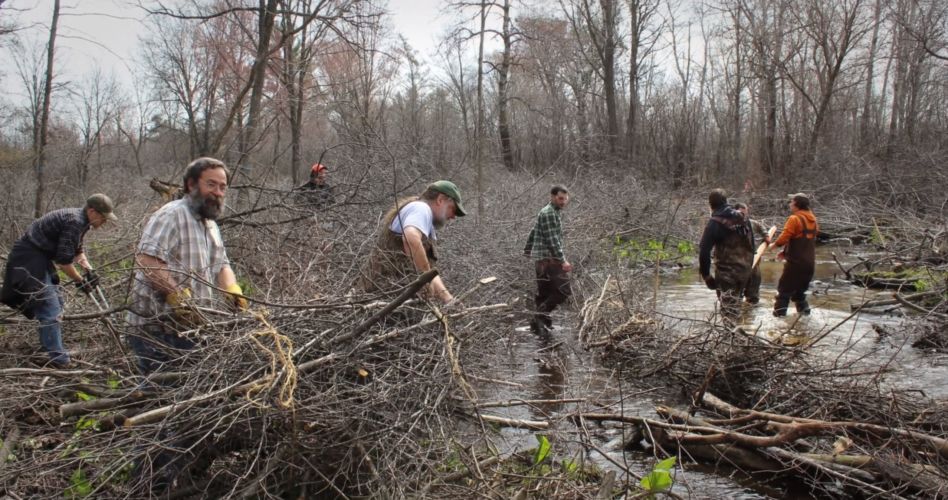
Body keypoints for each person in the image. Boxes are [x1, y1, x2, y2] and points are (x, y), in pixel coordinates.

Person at [126, 157, 249, 374]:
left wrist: (232, 289)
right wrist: (176, 296)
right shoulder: (171, 214)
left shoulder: (210, 225)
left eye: (222, 187)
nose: (218, 192)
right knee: (160, 397)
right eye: (211, 184)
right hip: (157, 330)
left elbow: (222, 264)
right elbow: (147, 260)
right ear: (191, 185)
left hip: (190, 330)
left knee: (187, 397)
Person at [1, 194, 118, 367]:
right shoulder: (75, 221)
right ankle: (58, 359)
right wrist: (80, 281)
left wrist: (89, 270)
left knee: (57, 304)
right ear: (92, 211)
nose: (104, 222)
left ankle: (47, 349)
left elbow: (77, 249)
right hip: (28, 258)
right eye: (103, 217)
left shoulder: (82, 221)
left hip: (40, 257)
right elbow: (64, 262)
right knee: (50, 309)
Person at [357, 180, 465, 304]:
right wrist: (425, 278)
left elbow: (430, 271)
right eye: (453, 209)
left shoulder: (426, 224)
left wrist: (449, 300)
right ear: (440, 200)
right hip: (380, 299)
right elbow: (411, 238)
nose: (453, 216)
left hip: (390, 301)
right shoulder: (421, 208)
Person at [524, 185, 572, 333]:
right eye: (560, 198)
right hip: (548, 260)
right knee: (563, 291)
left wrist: (527, 249)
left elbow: (534, 230)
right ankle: (539, 319)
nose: (563, 202)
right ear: (552, 197)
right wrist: (563, 260)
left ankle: (540, 326)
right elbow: (553, 241)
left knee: (543, 294)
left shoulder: (547, 211)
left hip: (541, 261)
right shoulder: (550, 213)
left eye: (565, 199)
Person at [698, 189, 754, 316]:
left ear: (710, 205)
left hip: (726, 275)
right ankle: (741, 332)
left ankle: (731, 334)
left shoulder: (714, 223)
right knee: (736, 306)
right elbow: (752, 246)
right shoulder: (744, 218)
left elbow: (704, 252)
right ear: (726, 201)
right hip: (744, 271)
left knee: (728, 312)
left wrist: (706, 276)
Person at [767, 193, 819, 317]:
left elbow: (785, 236)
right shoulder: (813, 220)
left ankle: (779, 322)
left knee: (783, 292)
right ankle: (804, 320)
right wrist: (785, 252)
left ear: (797, 204)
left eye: (791, 202)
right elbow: (803, 239)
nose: (790, 204)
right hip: (809, 265)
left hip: (795, 264)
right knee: (799, 294)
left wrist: (773, 246)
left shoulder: (794, 219)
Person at [733, 202, 771, 304]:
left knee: (753, 294)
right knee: (736, 295)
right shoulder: (729, 225)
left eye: (745, 213)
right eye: (741, 213)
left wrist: (766, 236)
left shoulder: (752, 223)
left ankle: (750, 314)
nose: (743, 216)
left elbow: (761, 227)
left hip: (752, 260)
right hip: (736, 263)